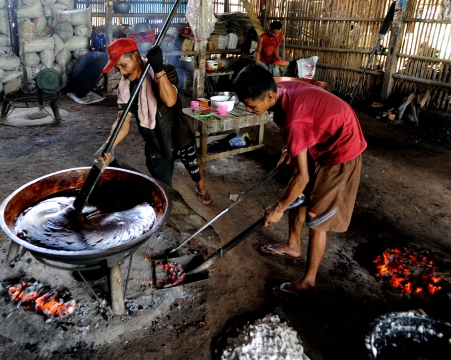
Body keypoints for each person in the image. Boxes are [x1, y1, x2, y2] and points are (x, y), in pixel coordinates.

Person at [232, 65, 367, 297]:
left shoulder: (295, 119)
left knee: (317, 216)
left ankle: (308, 282)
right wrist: (292, 148)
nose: (248, 109)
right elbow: (304, 123)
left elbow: (302, 176)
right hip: (323, 141)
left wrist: (278, 208)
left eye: (251, 105)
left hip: (342, 150)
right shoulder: (282, 89)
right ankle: (293, 247)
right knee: (299, 196)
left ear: (270, 96)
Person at [98, 38, 211, 205]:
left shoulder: (166, 70)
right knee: (164, 190)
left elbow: (170, 101)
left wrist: (158, 68)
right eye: (117, 68)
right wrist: (109, 145)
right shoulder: (126, 87)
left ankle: (200, 186)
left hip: (178, 134)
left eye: (124, 65)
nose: (121, 72)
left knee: (195, 167)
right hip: (155, 142)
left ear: (136, 56)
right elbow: (123, 122)